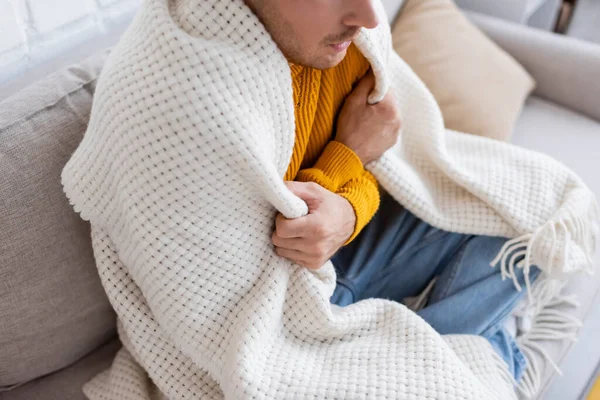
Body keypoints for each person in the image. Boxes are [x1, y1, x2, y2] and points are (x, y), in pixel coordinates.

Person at [245, 0, 539, 383]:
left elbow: (377, 148)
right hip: (291, 292)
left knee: (525, 212)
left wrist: (349, 210)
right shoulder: (222, 92)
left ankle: (423, 357)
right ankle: (476, 353)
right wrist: (346, 157)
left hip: (347, 249)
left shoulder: (350, 44)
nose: (370, 17)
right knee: (489, 348)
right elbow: (278, 237)